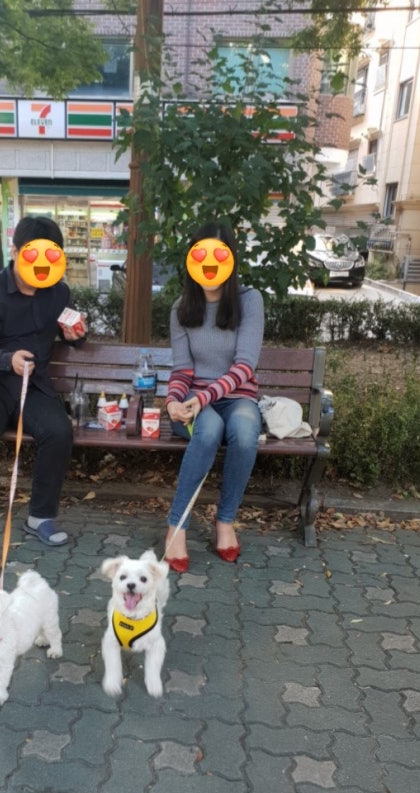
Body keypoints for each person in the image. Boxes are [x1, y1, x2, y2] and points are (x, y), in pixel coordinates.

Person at [0, 215, 86, 575]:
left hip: (34, 386)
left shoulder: (58, 292)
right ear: (14, 252)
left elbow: (70, 330)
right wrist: (7, 360)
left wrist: (76, 335)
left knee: (58, 432)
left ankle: (40, 516)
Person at [163, 219, 264, 573]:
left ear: (231, 259)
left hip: (237, 397)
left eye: (219, 256)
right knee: (207, 430)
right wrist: (172, 402)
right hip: (195, 401)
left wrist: (205, 397)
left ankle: (225, 521)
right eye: (201, 255)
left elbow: (245, 366)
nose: (210, 265)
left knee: (246, 431)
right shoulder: (181, 308)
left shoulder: (250, 301)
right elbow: (182, 370)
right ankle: (177, 526)